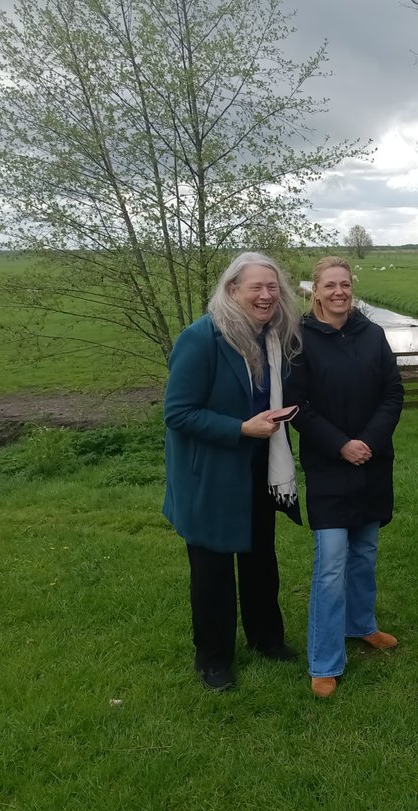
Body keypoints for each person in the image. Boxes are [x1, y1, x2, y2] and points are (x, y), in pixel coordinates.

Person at [163, 252, 304, 691]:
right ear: (231, 291)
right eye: (255, 287)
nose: (266, 295)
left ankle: (266, 639)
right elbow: (178, 413)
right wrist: (241, 428)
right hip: (211, 474)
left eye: (272, 287)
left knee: (261, 558)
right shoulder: (202, 338)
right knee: (213, 570)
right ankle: (213, 659)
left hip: (259, 468)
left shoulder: (274, 338)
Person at [286, 256, 404, 699]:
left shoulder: (371, 334)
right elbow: (297, 405)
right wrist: (341, 445)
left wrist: (368, 441)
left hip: (373, 463)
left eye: (345, 284)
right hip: (329, 468)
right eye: (330, 285)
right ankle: (325, 660)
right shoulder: (298, 339)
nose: (339, 292)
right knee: (331, 563)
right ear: (314, 291)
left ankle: (361, 625)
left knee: (365, 553)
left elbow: (392, 393)